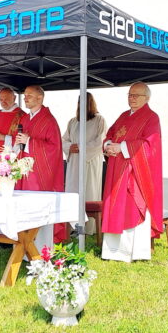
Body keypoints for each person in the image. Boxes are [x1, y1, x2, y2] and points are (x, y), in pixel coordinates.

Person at [100, 82, 163, 262]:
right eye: (130, 95)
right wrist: (108, 145)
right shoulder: (123, 115)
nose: (132, 98)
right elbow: (110, 133)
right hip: (116, 170)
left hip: (135, 174)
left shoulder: (151, 118)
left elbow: (150, 145)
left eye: (136, 95)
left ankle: (133, 252)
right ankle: (112, 251)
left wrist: (122, 147)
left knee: (131, 209)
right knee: (115, 207)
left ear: (147, 98)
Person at [15, 85, 66, 248]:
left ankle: (40, 247)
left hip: (40, 175)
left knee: (37, 208)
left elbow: (54, 148)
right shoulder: (25, 119)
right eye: (25, 95)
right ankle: (24, 245)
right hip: (24, 173)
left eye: (29, 95)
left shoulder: (49, 120)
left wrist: (29, 142)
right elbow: (19, 142)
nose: (25, 98)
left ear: (40, 98)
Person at [62, 92, 107, 234]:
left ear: (90, 103)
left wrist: (81, 147)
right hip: (74, 163)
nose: (82, 104)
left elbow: (100, 141)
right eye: (79, 102)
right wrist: (69, 147)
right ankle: (72, 227)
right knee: (73, 193)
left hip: (90, 162)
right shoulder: (73, 122)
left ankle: (87, 229)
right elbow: (63, 140)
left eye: (85, 102)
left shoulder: (99, 120)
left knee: (89, 192)